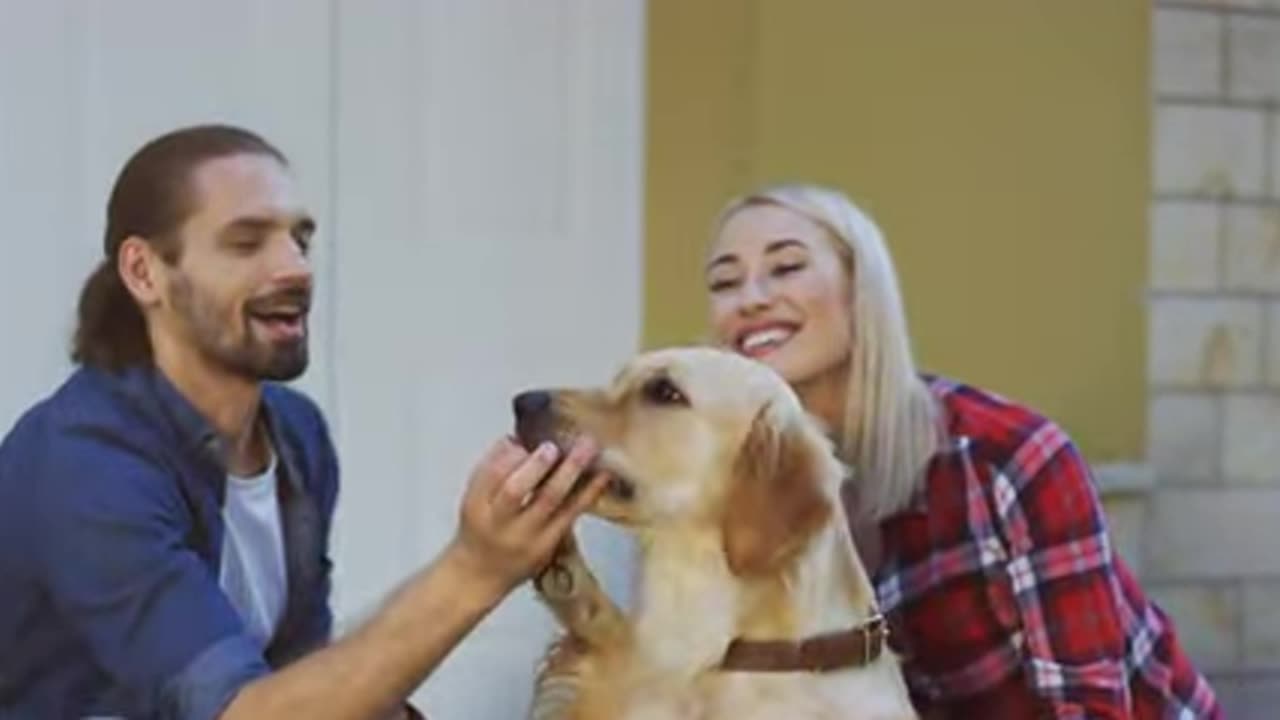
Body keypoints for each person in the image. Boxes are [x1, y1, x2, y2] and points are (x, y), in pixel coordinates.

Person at [0, 124, 608, 720]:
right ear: (144, 272)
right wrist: (478, 568)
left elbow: (301, 676)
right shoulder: (84, 464)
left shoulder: (294, 434)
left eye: (300, 240)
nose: (295, 269)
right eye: (246, 243)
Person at [699, 183, 1221, 717]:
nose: (751, 298)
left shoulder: (1009, 459)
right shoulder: (741, 492)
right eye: (725, 282)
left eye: (786, 268)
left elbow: (1091, 709)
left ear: (862, 289)